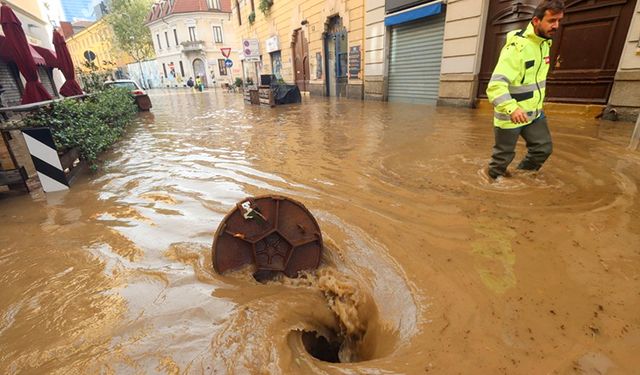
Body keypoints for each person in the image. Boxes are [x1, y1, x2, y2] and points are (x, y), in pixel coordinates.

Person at [486, 0, 565, 180]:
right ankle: (490, 188)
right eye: (552, 21)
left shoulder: (545, 43)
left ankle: (522, 178)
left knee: (542, 149)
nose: (556, 26)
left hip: (534, 113)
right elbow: (494, 86)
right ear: (536, 21)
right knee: (502, 159)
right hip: (511, 115)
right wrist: (512, 108)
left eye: (559, 21)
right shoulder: (517, 48)